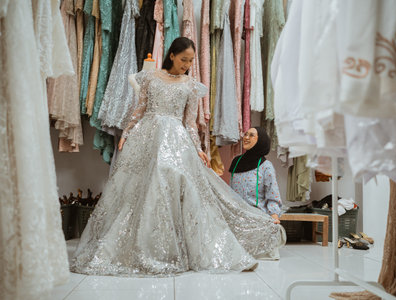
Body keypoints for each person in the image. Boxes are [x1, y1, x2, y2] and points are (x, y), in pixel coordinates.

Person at [71, 37, 285, 276]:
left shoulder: (190, 85)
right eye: (184, 59)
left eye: (191, 60)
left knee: (173, 181)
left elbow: (190, 124)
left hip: (176, 138)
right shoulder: (150, 77)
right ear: (171, 55)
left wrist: (199, 149)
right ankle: (143, 244)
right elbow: (140, 109)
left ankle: (173, 246)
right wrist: (127, 132)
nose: (187, 64)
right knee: (139, 188)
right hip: (147, 138)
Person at [229, 127, 283, 224]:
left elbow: (273, 194)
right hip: (236, 219)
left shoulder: (266, 166)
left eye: (251, 135)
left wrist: (274, 215)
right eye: (245, 134)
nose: (246, 137)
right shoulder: (236, 162)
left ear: (260, 140)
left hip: (257, 220)